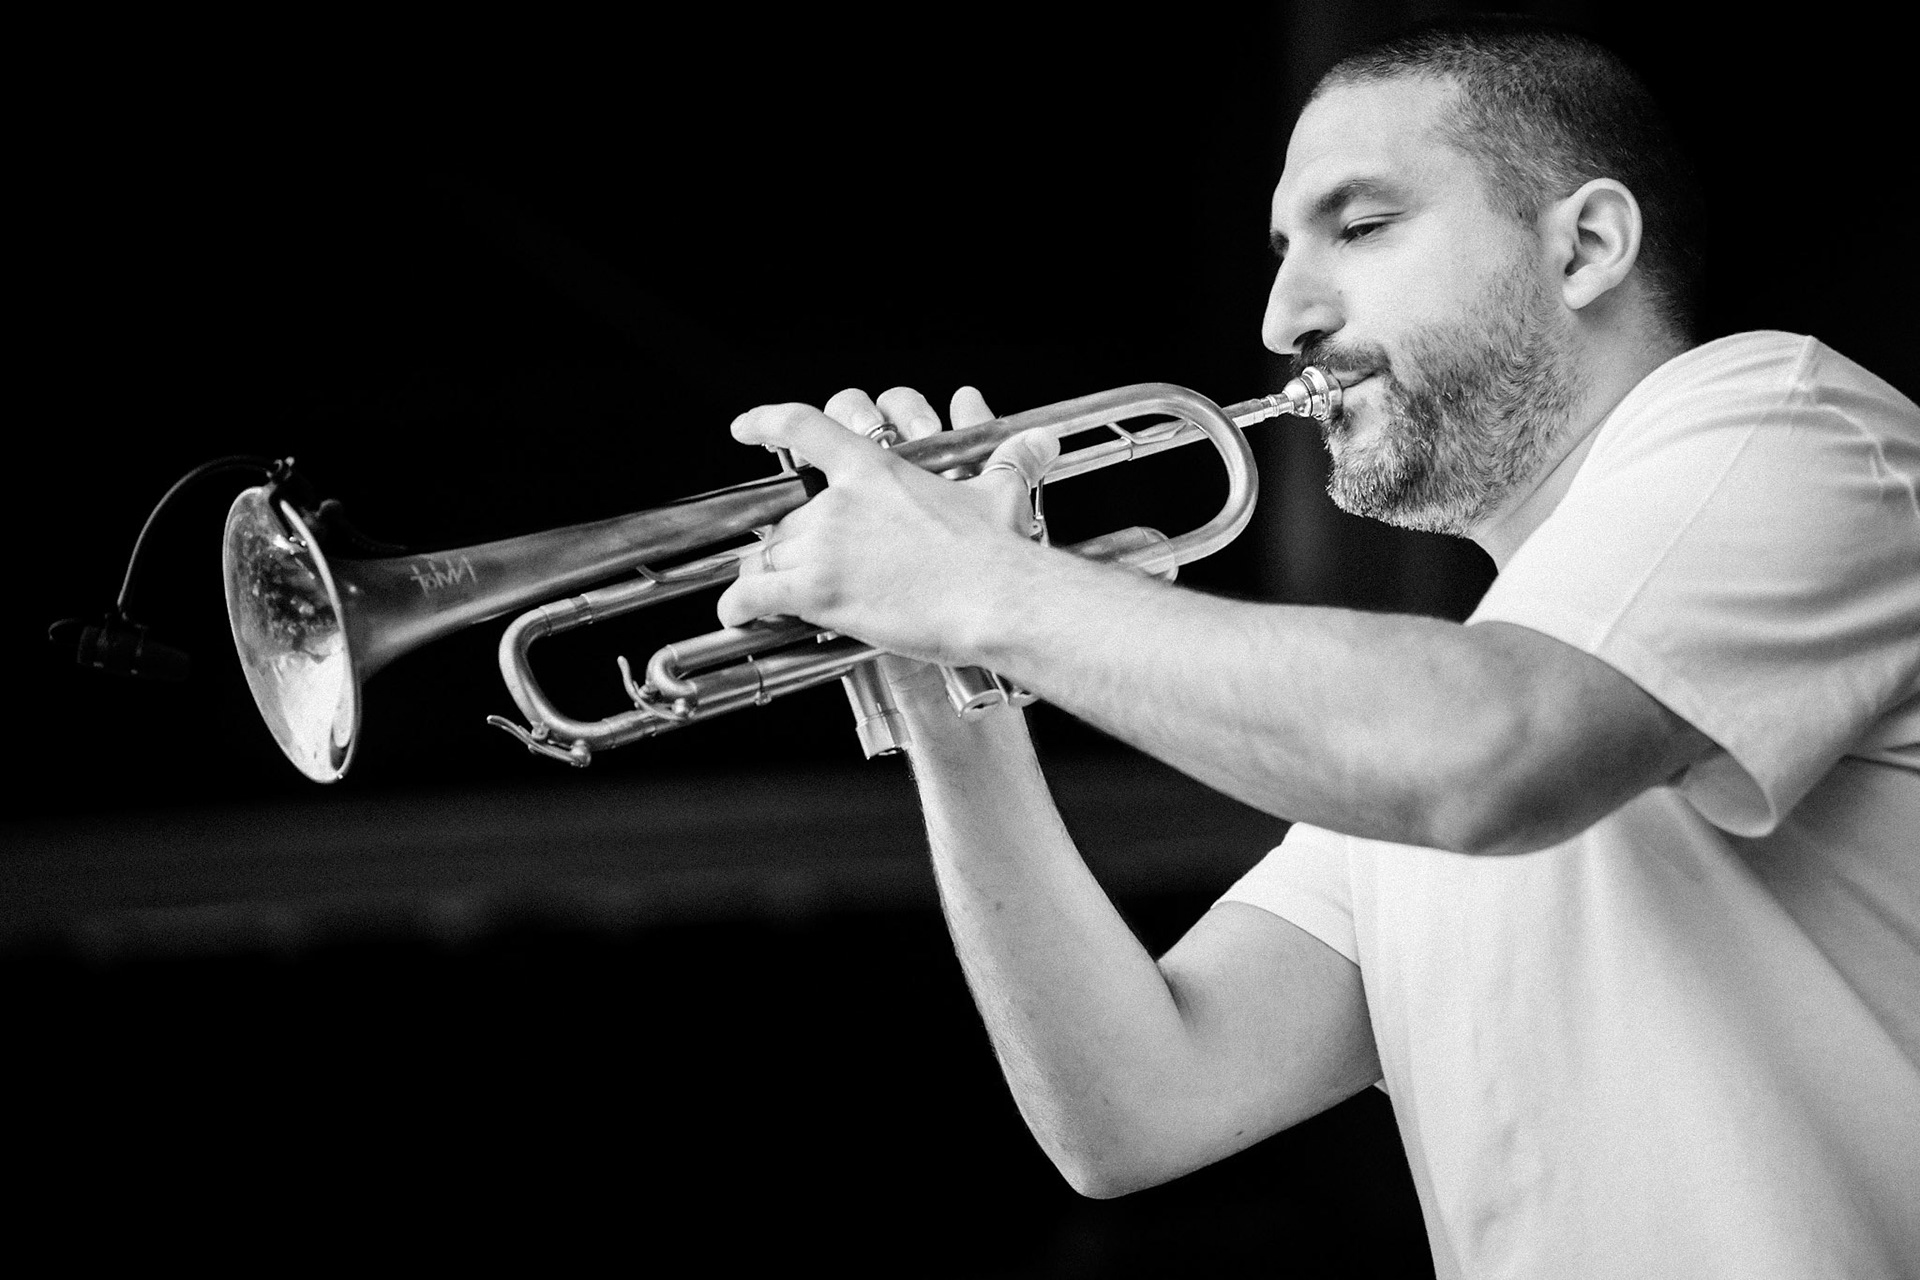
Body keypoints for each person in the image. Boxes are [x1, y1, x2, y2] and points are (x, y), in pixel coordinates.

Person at [716, 17, 1919, 1277]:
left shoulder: (1792, 421)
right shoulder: (1429, 705)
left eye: (1360, 226)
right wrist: (942, 685)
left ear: (1586, 246)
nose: (1284, 315)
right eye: (1284, 250)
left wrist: (978, 584)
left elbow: (1487, 753)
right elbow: (1136, 1106)